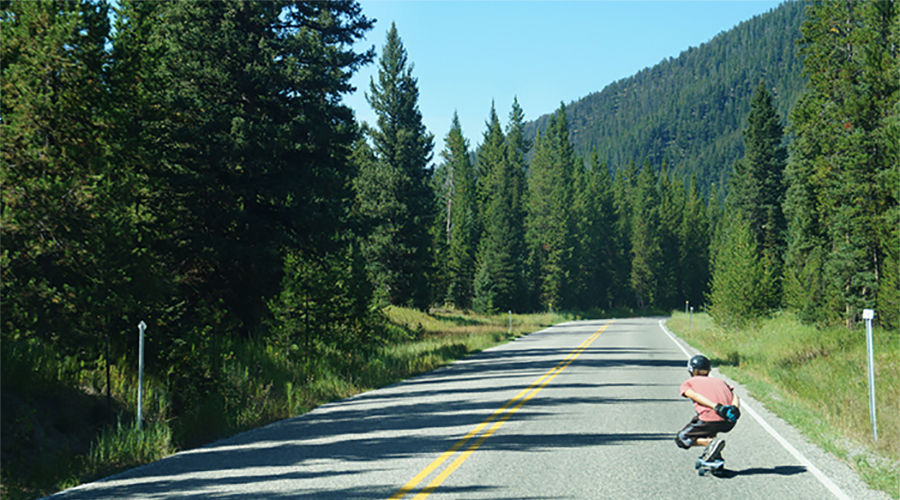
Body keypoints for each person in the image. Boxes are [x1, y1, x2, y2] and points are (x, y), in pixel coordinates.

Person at [675, 354, 740, 462]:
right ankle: (715, 455)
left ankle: (710, 444)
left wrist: (716, 407)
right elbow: (735, 396)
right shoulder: (721, 381)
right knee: (711, 430)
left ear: (692, 370)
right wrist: (735, 408)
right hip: (729, 421)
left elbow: (694, 395)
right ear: (709, 369)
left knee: (681, 438)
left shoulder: (688, 383)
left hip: (709, 418)